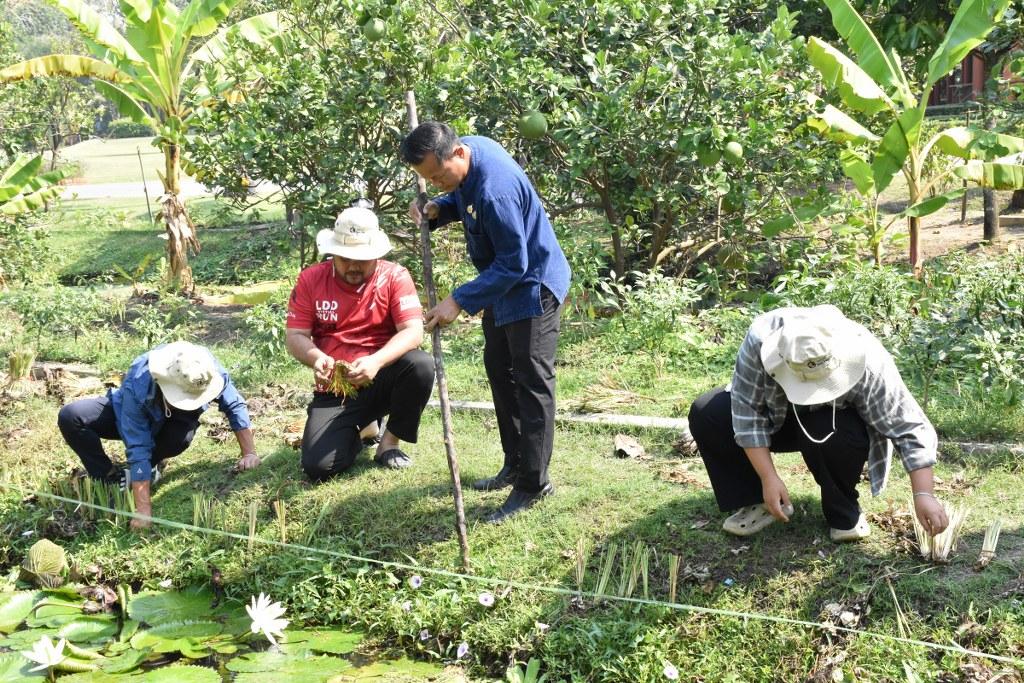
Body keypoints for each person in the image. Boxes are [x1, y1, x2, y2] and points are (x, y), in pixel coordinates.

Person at [401, 121, 571, 523]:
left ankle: (533, 484)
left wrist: (459, 300)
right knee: (499, 367)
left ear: (458, 153)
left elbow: (515, 263)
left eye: (439, 176)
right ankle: (516, 463)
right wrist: (438, 208)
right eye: (428, 179)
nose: (437, 183)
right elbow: (461, 197)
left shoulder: (497, 191)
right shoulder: (468, 153)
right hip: (502, 287)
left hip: (532, 286)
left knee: (531, 382)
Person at [687, 304, 949, 542]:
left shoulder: (868, 358)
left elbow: (909, 427)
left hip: (833, 424)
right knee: (708, 413)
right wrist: (768, 477)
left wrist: (923, 495)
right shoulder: (759, 341)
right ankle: (758, 500)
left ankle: (843, 511)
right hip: (777, 416)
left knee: (829, 430)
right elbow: (747, 412)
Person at [285, 203, 435, 481]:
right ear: (333, 253)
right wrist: (317, 358)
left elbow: (413, 332)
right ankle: (363, 428)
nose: (353, 266)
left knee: (421, 364)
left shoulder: (395, 276)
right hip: (336, 387)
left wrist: (376, 361)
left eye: (362, 259)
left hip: (382, 376)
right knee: (319, 467)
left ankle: (389, 443)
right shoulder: (310, 279)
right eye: (345, 259)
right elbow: (295, 336)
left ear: (377, 255)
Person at [58, 341, 259, 530]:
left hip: (174, 422)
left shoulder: (207, 370)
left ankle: (151, 466)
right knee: (71, 417)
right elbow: (138, 445)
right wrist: (143, 510)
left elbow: (234, 405)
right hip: (128, 412)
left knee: (179, 439)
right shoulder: (141, 378)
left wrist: (249, 453)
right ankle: (110, 479)